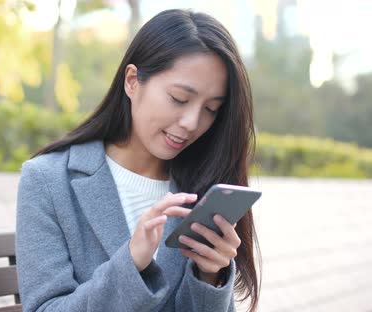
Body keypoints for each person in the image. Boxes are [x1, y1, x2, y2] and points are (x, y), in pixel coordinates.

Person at [15, 8, 260, 312]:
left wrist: (209, 277)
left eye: (211, 109)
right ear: (132, 81)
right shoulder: (49, 180)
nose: (191, 122)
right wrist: (130, 264)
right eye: (179, 99)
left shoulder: (200, 190)